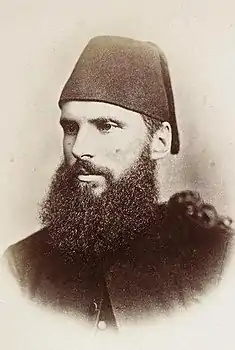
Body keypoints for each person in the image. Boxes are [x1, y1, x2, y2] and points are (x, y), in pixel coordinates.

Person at [1, 35, 234, 333]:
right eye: (71, 128)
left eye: (105, 126)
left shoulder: (217, 259)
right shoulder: (20, 268)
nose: (78, 148)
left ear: (159, 142)